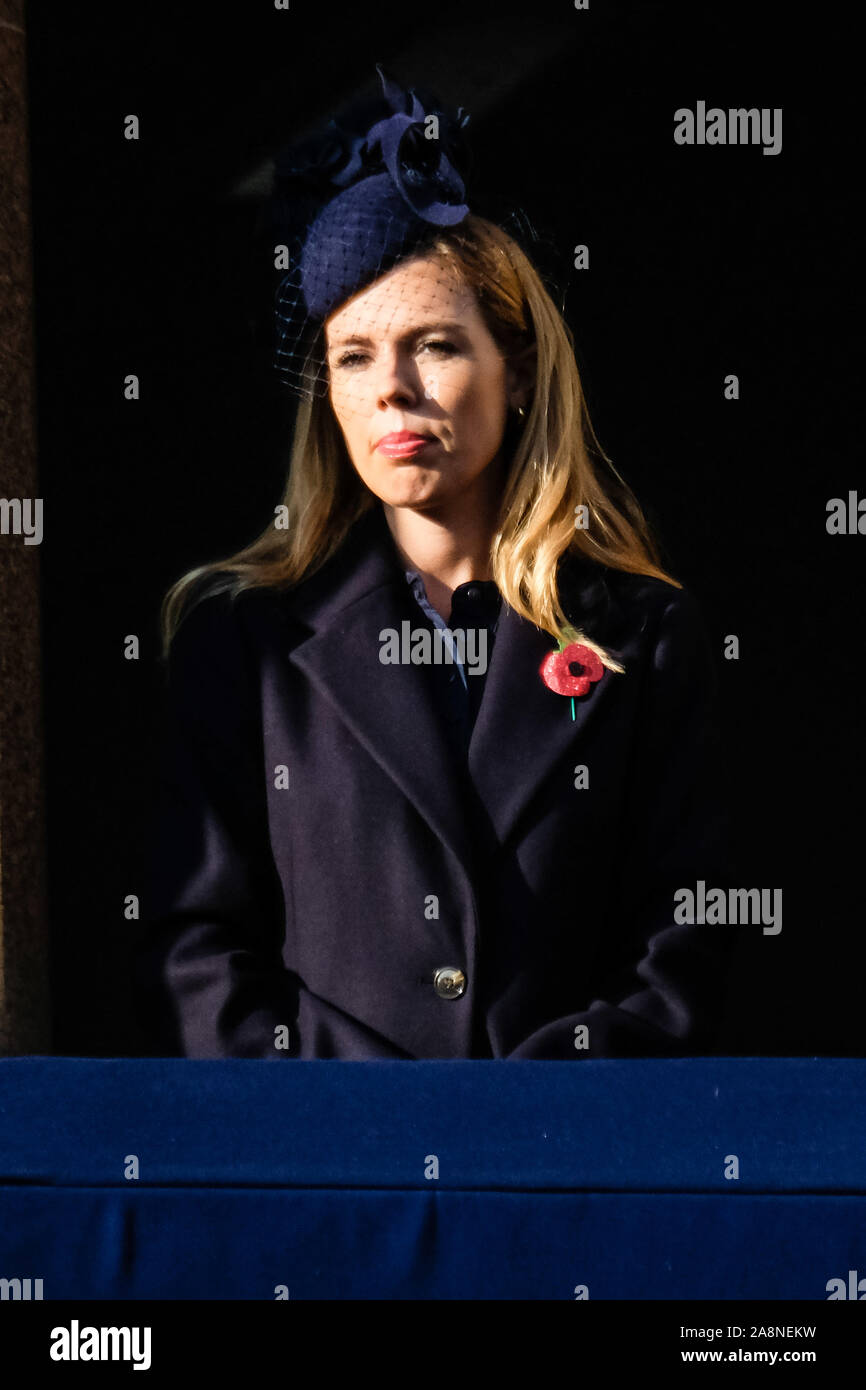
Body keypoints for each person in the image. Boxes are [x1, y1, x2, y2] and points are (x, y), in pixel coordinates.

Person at [133, 66, 736, 1060]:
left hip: (561, 1182)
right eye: (355, 355)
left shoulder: (646, 638)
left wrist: (521, 1118)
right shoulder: (244, 642)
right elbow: (195, 949)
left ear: (518, 369)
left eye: (435, 347)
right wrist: (363, 1113)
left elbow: (683, 944)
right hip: (332, 1183)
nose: (392, 392)